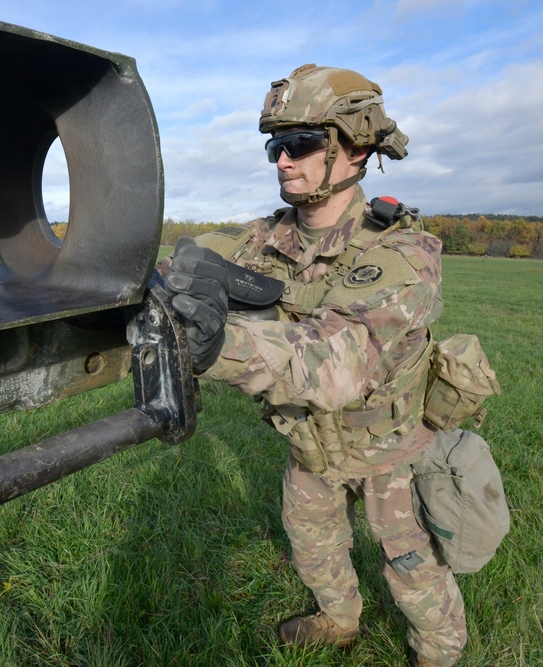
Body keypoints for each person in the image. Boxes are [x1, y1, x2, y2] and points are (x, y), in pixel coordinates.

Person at [164, 64, 466, 667]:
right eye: (276, 146)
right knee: (314, 543)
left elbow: (335, 364)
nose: (282, 160)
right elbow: (194, 260)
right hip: (310, 444)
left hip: (391, 449)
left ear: (356, 147)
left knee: (413, 568)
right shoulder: (267, 236)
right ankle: (339, 620)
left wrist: (211, 347)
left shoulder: (403, 253)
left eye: (301, 144)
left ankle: (437, 654)